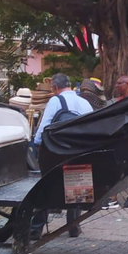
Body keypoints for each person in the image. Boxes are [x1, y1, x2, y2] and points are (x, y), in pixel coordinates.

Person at [31, 73, 93, 239]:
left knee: (47, 187)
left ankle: (36, 229)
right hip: (80, 150)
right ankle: (73, 227)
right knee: (77, 186)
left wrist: (37, 144)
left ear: (55, 88)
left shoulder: (55, 101)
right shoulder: (85, 103)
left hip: (57, 152)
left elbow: (44, 126)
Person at [102, 75, 128, 209]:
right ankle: (113, 196)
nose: (116, 86)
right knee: (115, 168)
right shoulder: (113, 102)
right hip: (117, 140)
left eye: (119, 83)